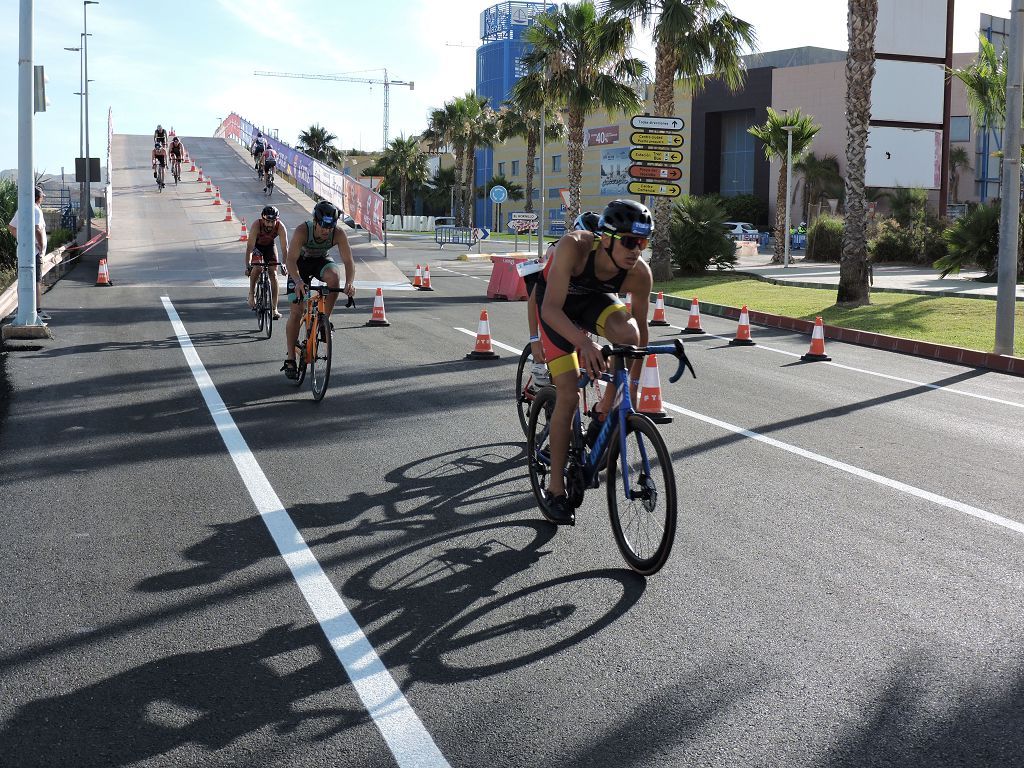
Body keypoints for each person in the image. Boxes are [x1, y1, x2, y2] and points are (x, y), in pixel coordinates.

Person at [533, 199, 654, 525]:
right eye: (629, 241)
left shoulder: (640, 273)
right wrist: (584, 342)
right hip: (557, 309)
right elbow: (549, 310)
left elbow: (640, 334)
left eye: (643, 243)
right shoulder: (574, 247)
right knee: (569, 395)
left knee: (626, 335)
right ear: (606, 238)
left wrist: (631, 387)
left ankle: (603, 411)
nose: (636, 251)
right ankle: (556, 490)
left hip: (591, 302)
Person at [523, 211, 602, 388]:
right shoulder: (559, 251)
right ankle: (538, 368)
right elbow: (535, 301)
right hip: (550, 302)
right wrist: (535, 340)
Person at [281, 201, 355, 380]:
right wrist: (298, 281)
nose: (326, 231)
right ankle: (291, 357)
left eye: (330, 227)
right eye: (323, 226)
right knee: (297, 311)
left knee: (334, 278)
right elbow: (290, 261)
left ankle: (324, 320)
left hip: (321, 261)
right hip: (300, 265)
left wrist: (350, 283)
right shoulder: (302, 231)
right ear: (315, 221)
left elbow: (348, 262)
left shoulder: (338, 233)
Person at [6, 185, 49, 321]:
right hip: (35, 253)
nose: (42, 199)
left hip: (24, 251)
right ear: (37, 197)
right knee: (36, 281)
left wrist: (22, 238)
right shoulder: (36, 210)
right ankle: (37, 310)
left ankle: (21, 307)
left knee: (23, 279)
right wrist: (41, 246)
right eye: (42, 197)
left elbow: (11, 227)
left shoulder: (22, 209)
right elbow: (37, 229)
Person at [246, 204, 288, 319]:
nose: (270, 224)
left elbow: (285, 248)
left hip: (270, 246)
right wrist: (248, 265)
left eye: (272, 221)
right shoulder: (256, 225)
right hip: (257, 247)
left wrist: (284, 264)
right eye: (267, 221)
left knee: (273, 274)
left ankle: (274, 308)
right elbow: (250, 247)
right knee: (258, 268)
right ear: (263, 219)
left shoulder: (280, 227)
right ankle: (251, 294)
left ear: (277, 220)